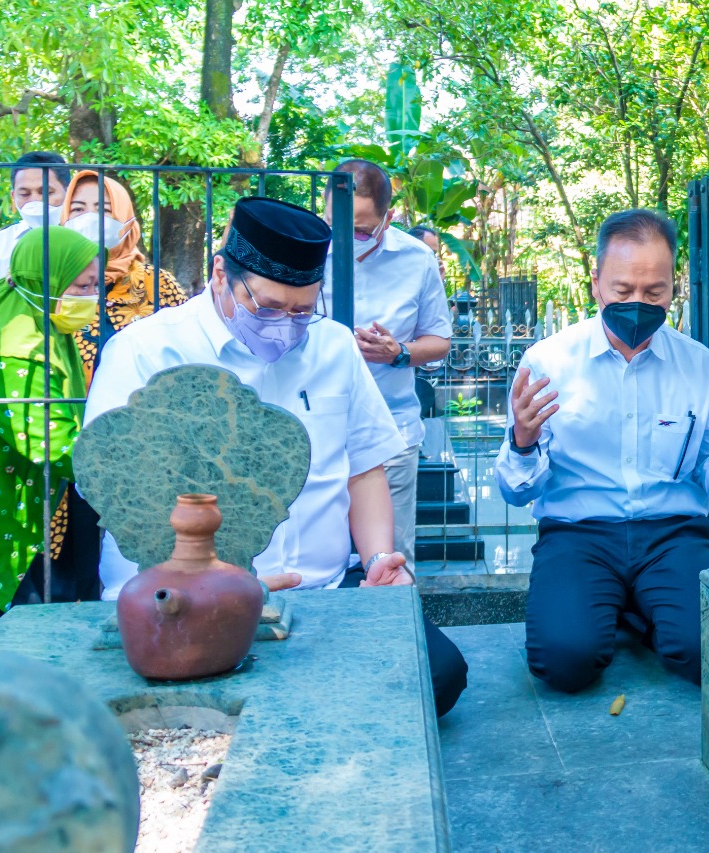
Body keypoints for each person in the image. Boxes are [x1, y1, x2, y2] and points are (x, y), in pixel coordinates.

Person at [85, 196, 466, 715]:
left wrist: (378, 560)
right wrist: (221, 582)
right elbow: (112, 485)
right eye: (266, 308)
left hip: (324, 592)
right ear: (220, 273)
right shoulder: (147, 351)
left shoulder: (332, 348)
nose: (285, 324)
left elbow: (364, 467)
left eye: (302, 311)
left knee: (440, 677)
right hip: (181, 600)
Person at [495, 209, 709, 692]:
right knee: (564, 663)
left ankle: (637, 606)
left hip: (673, 534)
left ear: (672, 287)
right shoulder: (548, 362)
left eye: (654, 292)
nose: (638, 303)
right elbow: (515, 493)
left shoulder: (699, 367)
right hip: (579, 534)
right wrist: (523, 442)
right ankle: (617, 603)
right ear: (596, 283)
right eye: (623, 292)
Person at [324, 160, 451, 568]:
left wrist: (397, 352)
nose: (345, 238)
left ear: (388, 218)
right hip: (316, 428)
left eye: (360, 229)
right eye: (335, 224)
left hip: (390, 431)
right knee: (312, 562)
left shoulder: (417, 259)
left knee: (390, 560)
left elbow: (439, 341)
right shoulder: (306, 251)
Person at [0, 227, 100, 616]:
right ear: (46, 281)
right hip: (7, 501)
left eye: (95, 285)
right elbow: (45, 439)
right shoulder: (18, 344)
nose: (93, 298)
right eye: (83, 286)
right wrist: (127, 469)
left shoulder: (36, 318)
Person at [60, 170, 189, 384]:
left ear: (126, 221)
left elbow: (188, 349)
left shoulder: (158, 283)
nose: (90, 218)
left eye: (104, 210)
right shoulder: (51, 284)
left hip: (145, 411)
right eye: (78, 209)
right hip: (70, 413)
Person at [0, 152, 70, 283]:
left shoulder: (88, 239)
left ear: (68, 192)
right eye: (24, 194)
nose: (35, 200)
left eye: (46, 192)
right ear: (13, 197)